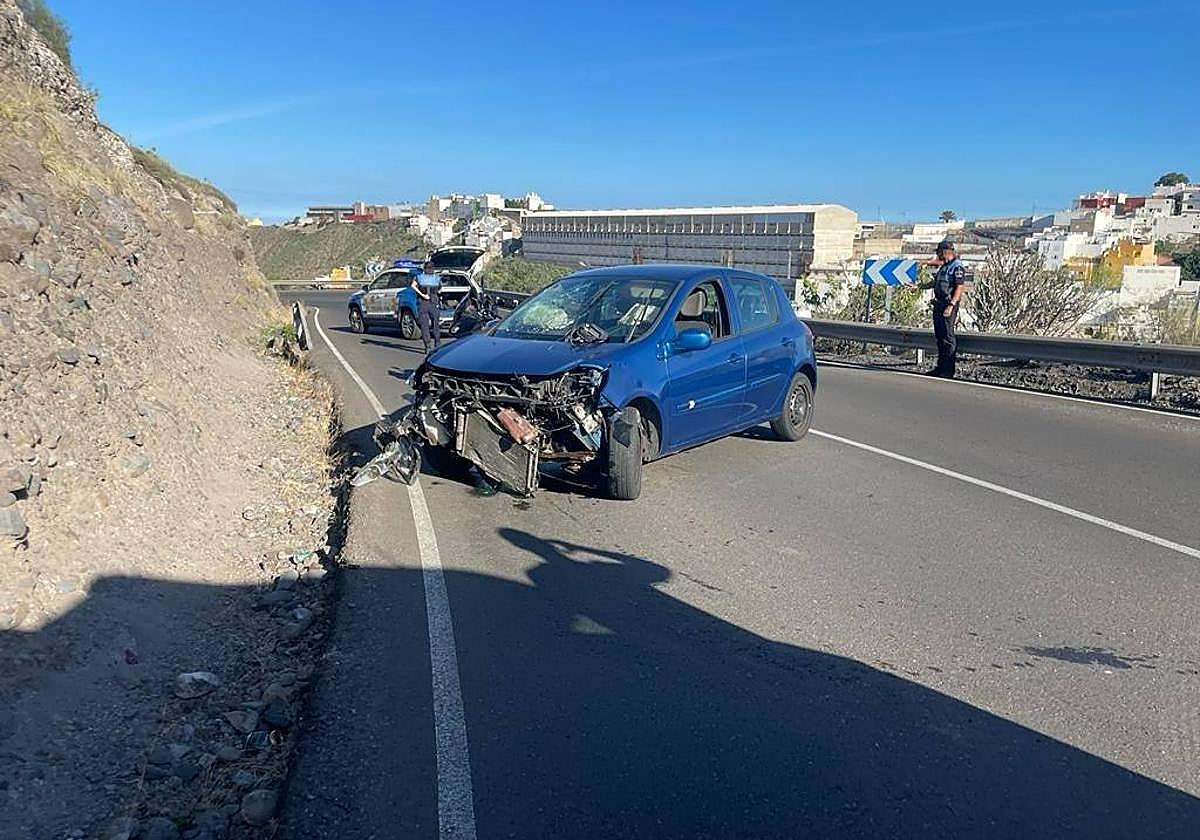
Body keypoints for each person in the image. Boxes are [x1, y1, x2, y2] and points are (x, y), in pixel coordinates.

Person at [915, 240, 966, 377]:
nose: (937, 254)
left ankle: (949, 370)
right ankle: (940, 367)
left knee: (948, 337)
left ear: (945, 252)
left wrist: (951, 305)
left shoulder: (957, 267)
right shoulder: (944, 266)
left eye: (938, 252)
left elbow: (959, 288)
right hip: (938, 304)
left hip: (948, 305)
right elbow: (935, 282)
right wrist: (919, 286)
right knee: (940, 337)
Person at [410, 261, 442, 353]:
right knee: (436, 324)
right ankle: (437, 344)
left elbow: (413, 285)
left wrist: (422, 294)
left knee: (424, 325)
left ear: (424, 268)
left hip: (423, 302)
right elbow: (440, 290)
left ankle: (427, 346)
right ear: (433, 269)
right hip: (434, 301)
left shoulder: (419, 277)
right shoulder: (437, 278)